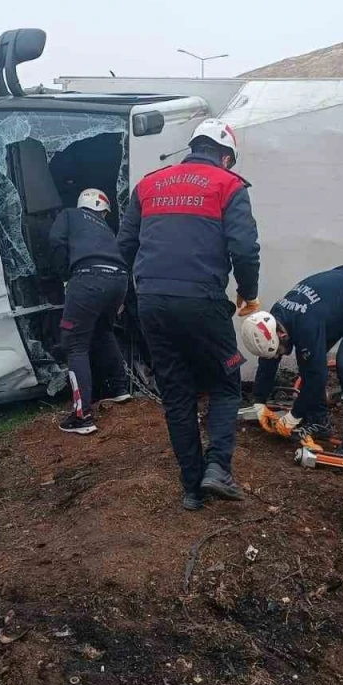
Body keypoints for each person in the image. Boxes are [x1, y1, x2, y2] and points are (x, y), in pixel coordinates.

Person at [118, 119, 261, 511]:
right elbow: (245, 249)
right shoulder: (228, 186)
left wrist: (132, 298)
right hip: (202, 303)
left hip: (153, 304)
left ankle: (191, 490)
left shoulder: (148, 184)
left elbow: (124, 245)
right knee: (226, 382)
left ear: (193, 147)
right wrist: (248, 294)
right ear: (226, 156)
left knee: (177, 393)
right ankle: (218, 468)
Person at [241, 265, 343, 457]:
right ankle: (319, 421)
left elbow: (317, 377)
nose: (280, 354)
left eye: (279, 350)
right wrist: (259, 402)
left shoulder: (306, 326)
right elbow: (269, 360)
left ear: (282, 334)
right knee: (308, 361)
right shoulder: (272, 318)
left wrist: (293, 416)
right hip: (337, 302)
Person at [48, 187, 131, 435]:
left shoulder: (69, 215)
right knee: (104, 332)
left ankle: (81, 416)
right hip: (119, 280)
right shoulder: (105, 228)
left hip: (88, 279)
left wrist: (65, 275)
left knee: (75, 345)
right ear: (102, 210)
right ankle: (120, 389)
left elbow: (55, 241)